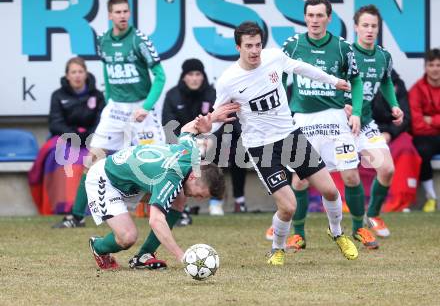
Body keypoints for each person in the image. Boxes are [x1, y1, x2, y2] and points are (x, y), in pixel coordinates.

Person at [211, 21, 358, 266]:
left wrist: (333, 81)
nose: (255, 50)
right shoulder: (229, 80)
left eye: (258, 44)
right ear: (238, 47)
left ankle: (337, 233)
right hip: (261, 148)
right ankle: (277, 249)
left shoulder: (274, 58)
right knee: (288, 206)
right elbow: (217, 114)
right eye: (249, 46)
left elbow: (301, 68)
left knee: (331, 191)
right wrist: (203, 130)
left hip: (290, 136)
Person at [52, 0, 166, 228]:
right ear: (110, 15)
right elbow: (106, 70)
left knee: (158, 163)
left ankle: (173, 211)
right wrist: (108, 100)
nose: (123, 15)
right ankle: (76, 217)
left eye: (126, 11)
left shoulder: (139, 40)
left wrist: (146, 106)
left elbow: (161, 76)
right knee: (91, 159)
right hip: (115, 110)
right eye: (118, 12)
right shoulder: (103, 40)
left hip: (141, 108)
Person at [87, 111, 234, 270]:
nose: (198, 198)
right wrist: (183, 257)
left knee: (179, 197)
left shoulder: (192, 154)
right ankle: (99, 247)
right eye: (201, 194)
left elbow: (188, 129)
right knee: (127, 238)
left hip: (131, 181)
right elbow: (156, 220)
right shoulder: (170, 177)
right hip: (105, 180)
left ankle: (144, 256)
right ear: (193, 177)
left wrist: (211, 119)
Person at [278, 0, 367, 250]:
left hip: (335, 118)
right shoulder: (293, 45)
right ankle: (299, 234)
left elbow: (356, 80)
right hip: (303, 120)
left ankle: (359, 228)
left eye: (320, 15)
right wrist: (283, 111)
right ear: (305, 17)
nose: (315, 20)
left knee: (350, 176)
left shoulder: (341, 47)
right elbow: (279, 79)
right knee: (300, 180)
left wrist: (357, 111)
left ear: (329, 18)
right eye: (310, 15)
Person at [162, 58, 248, 216]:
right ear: (183, 77)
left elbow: (225, 120)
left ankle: (218, 202)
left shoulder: (212, 94)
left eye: (198, 74)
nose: (194, 78)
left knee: (235, 151)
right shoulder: (173, 96)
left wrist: (210, 138)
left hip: (212, 141)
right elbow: (169, 125)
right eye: (190, 74)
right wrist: (189, 141)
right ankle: (180, 205)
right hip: (184, 142)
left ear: (203, 76)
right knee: (177, 158)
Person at [348, 5, 404, 239]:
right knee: (306, 178)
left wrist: (394, 105)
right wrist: (345, 107)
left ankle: (373, 215)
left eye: (374, 26)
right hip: (340, 124)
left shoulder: (383, 56)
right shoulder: (346, 54)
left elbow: (386, 82)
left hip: (366, 122)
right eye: (365, 26)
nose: (369, 30)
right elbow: (330, 85)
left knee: (387, 169)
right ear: (356, 27)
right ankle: (290, 226)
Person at [29, 57, 105, 214]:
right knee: (62, 157)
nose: (77, 75)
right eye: (73, 72)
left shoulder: (97, 96)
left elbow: (101, 122)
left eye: (80, 71)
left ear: (86, 74)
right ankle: (65, 206)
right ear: (67, 75)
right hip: (66, 138)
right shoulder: (57, 95)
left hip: (91, 139)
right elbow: (55, 123)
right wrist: (75, 135)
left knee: (96, 158)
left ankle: (93, 208)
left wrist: (88, 136)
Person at [371, 70, 421, 212]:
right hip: (367, 132)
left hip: (394, 132)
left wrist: (389, 133)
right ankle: (354, 200)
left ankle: (400, 199)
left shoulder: (398, 84)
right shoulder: (358, 80)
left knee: (406, 149)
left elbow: (405, 116)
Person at [408, 48, 440, 212]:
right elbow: (417, 125)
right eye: (431, 65)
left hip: (433, 132)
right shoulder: (417, 89)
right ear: (425, 67)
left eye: (438, 65)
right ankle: (431, 197)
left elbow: (425, 121)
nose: (435, 68)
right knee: (421, 151)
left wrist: (432, 120)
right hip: (425, 137)